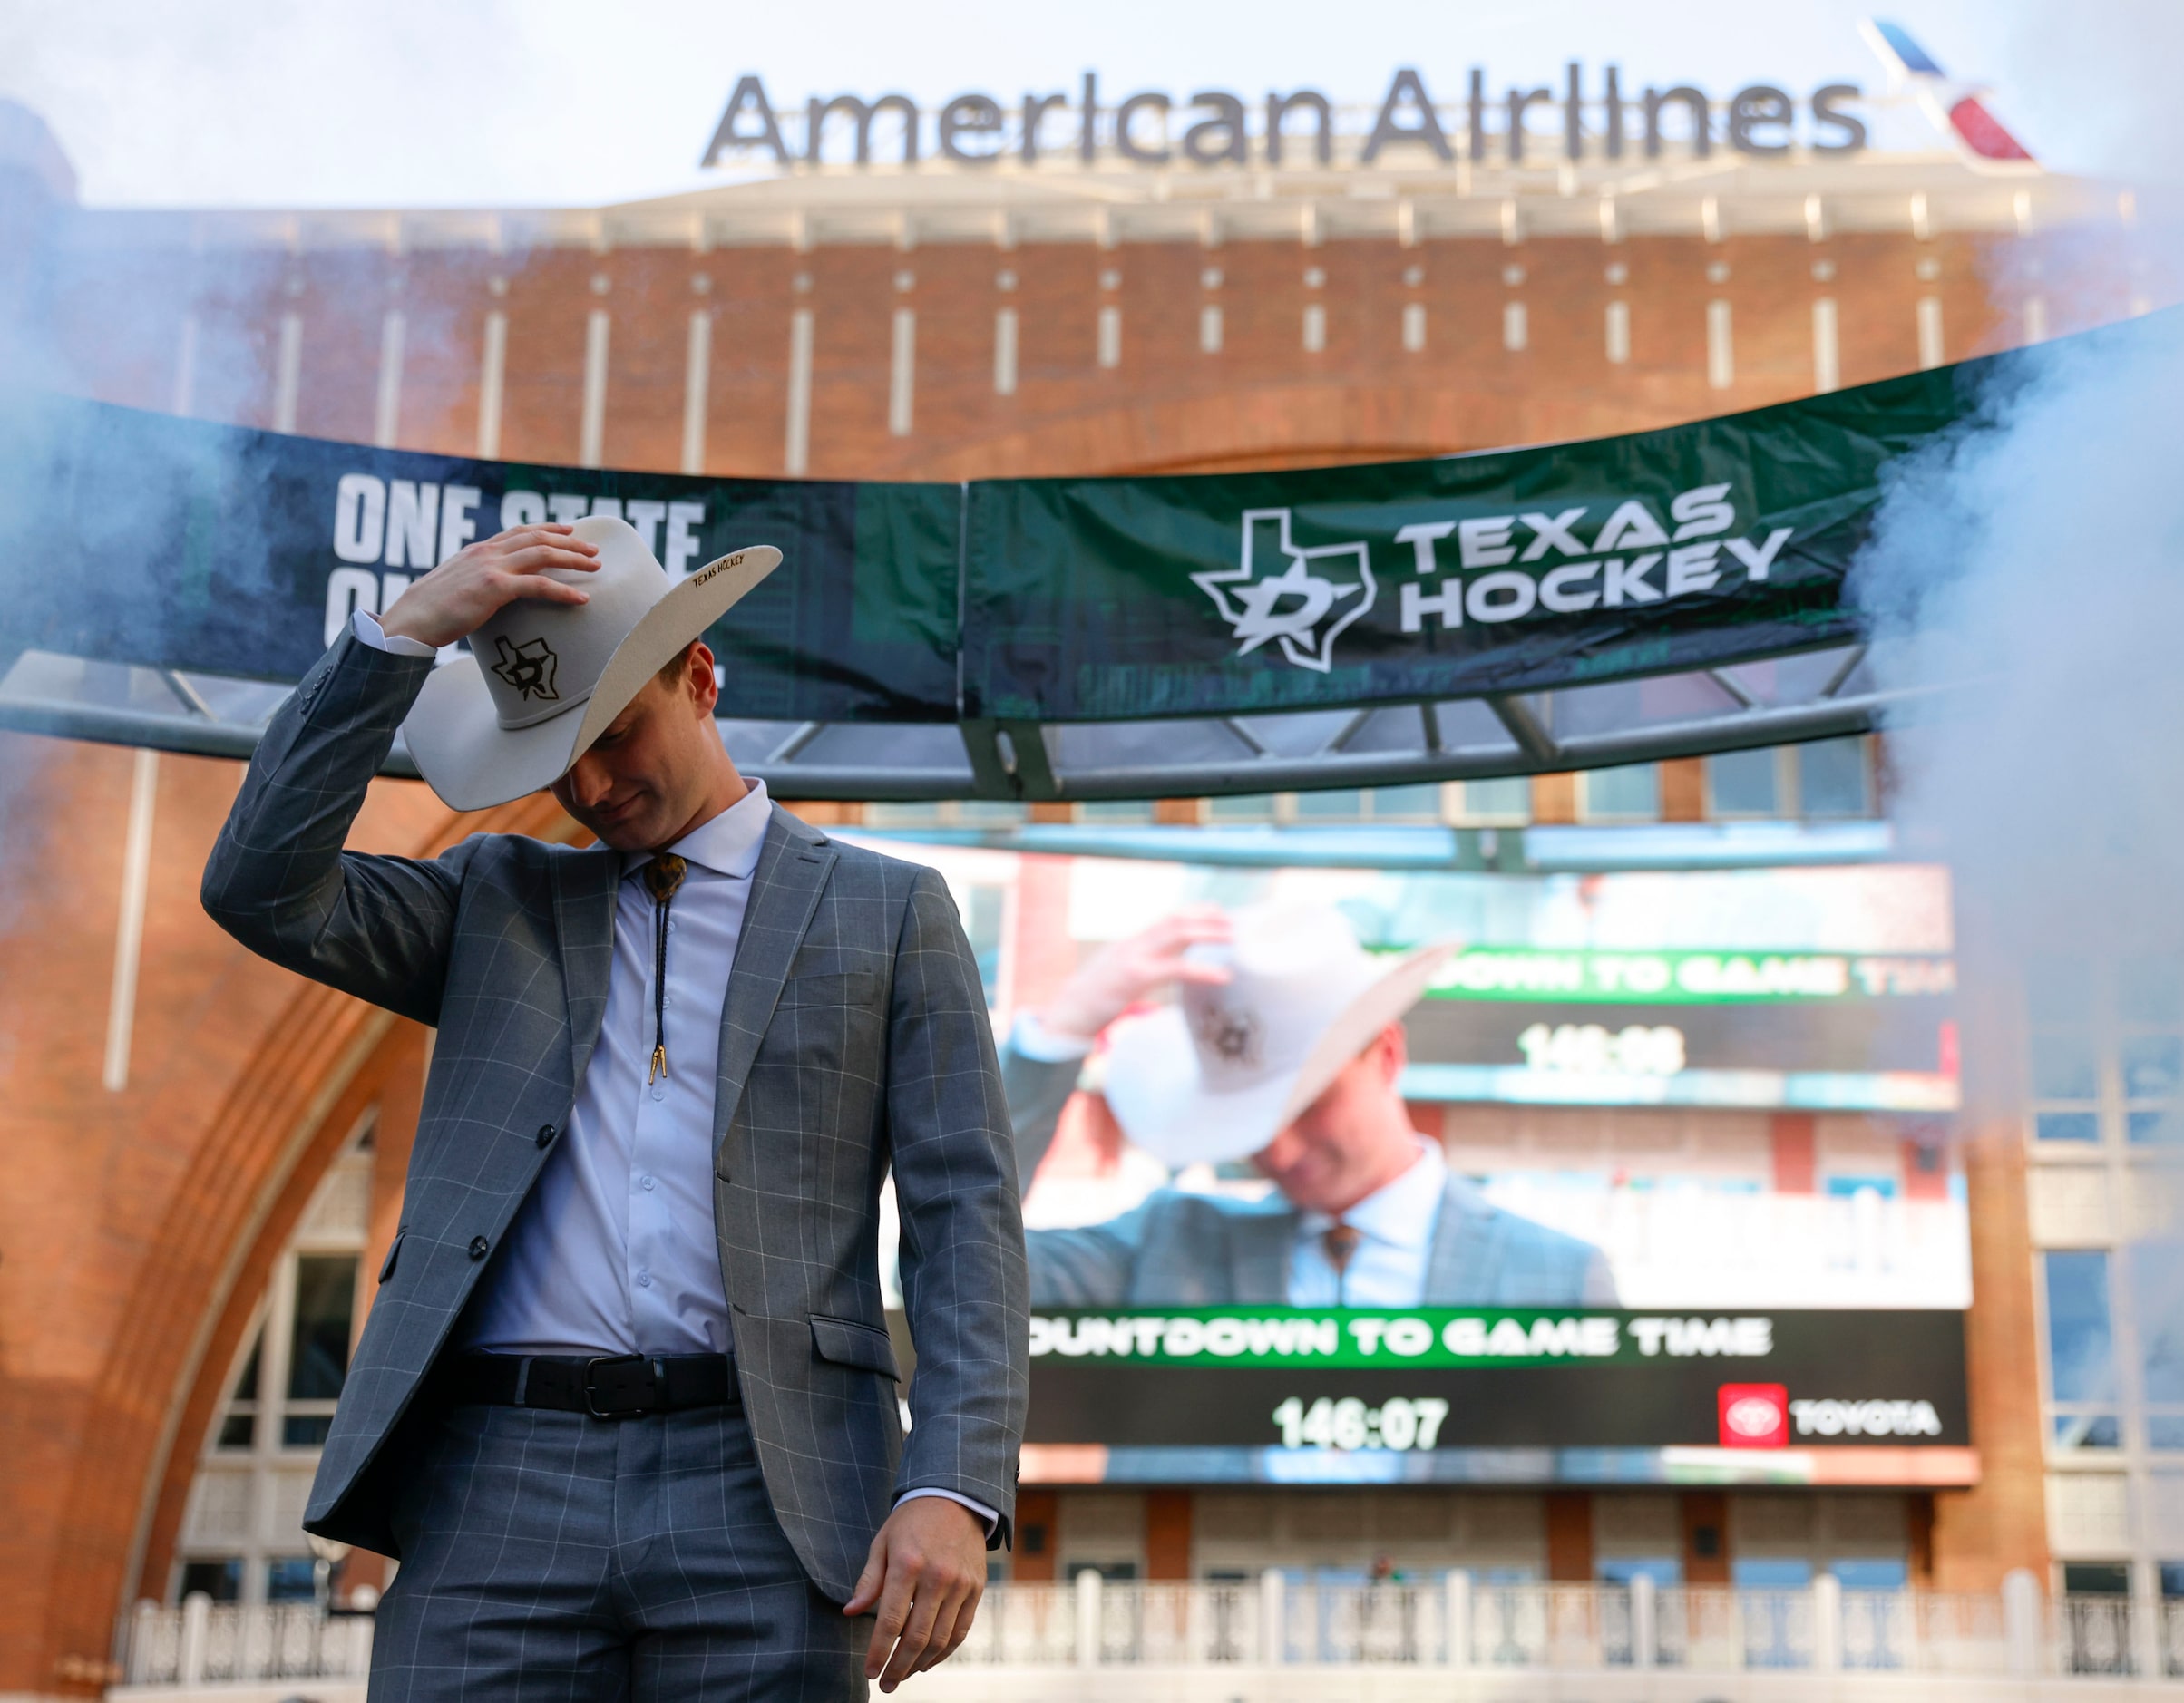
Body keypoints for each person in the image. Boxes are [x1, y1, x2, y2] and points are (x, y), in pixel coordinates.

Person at [201, 516, 1028, 1700]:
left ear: (698, 678)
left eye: (616, 733)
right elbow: (258, 886)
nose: (589, 786)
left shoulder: (889, 913)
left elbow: (967, 1223)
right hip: (495, 1477)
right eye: (559, 760)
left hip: (773, 1479)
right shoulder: (493, 898)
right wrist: (400, 635)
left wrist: (952, 1482)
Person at [1003, 902, 1617, 1307]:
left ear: (1385, 1054)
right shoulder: (1169, 1244)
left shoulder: (1560, 1278)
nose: (1277, 1148)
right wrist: (1060, 1033)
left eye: (1305, 1105)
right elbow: (959, 1287)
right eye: (1246, 1120)